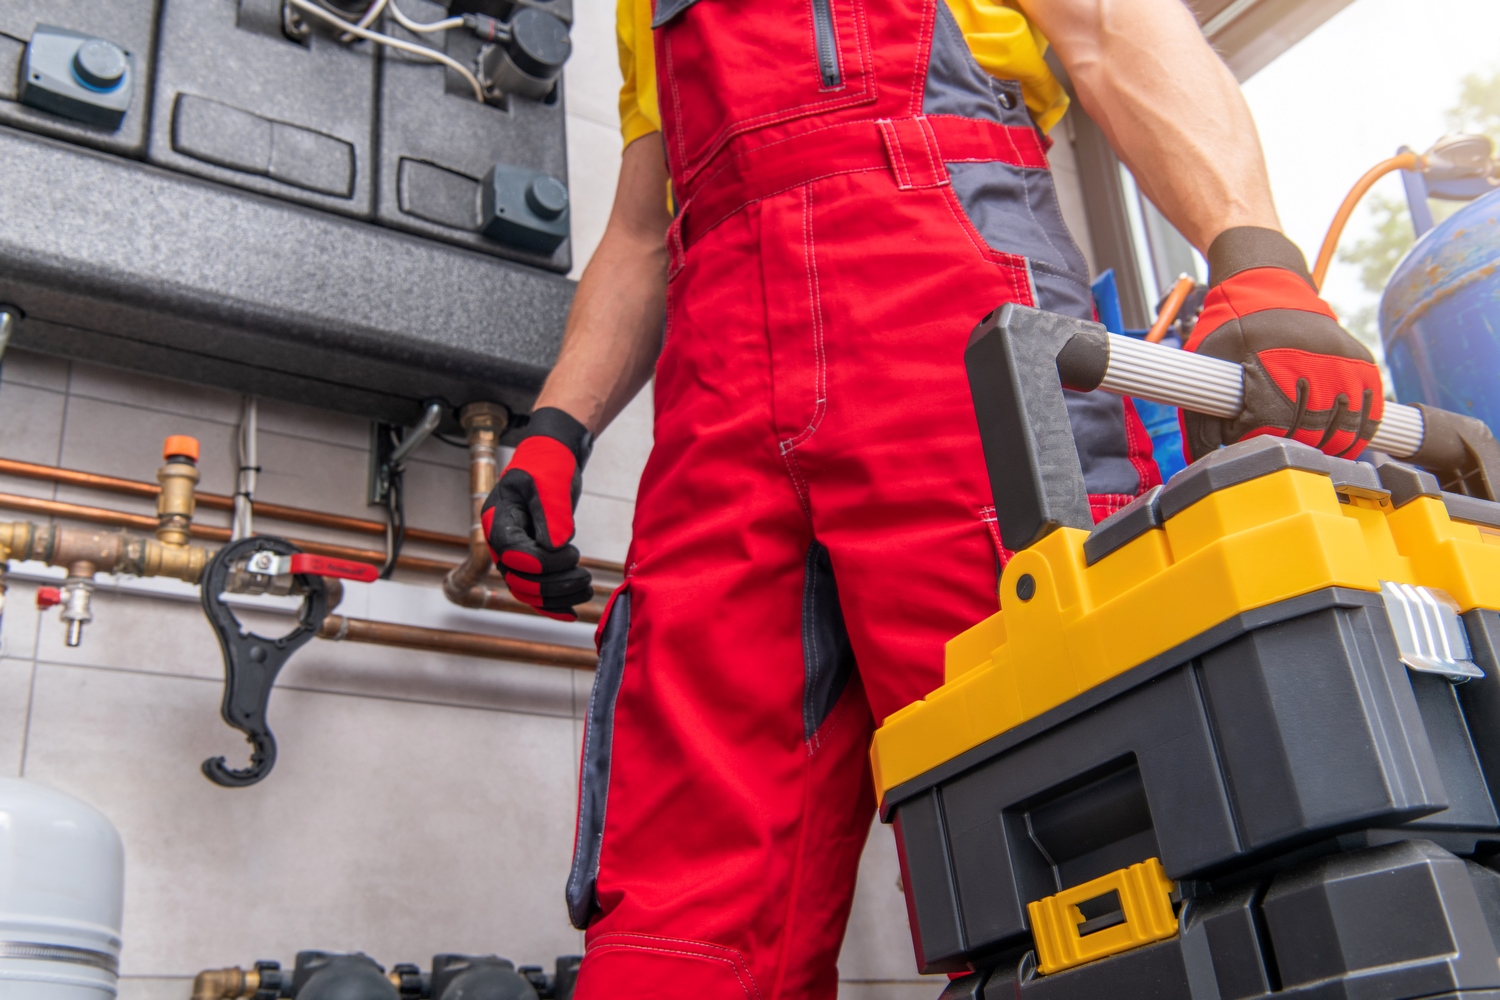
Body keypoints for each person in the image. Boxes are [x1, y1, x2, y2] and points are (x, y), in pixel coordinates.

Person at [481, 0, 1385, 993]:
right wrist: (556, 430)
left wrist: (1254, 258)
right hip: (718, 383)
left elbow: (1112, 30)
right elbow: (641, 230)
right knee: (678, 900)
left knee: (1070, 824)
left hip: (948, 314)